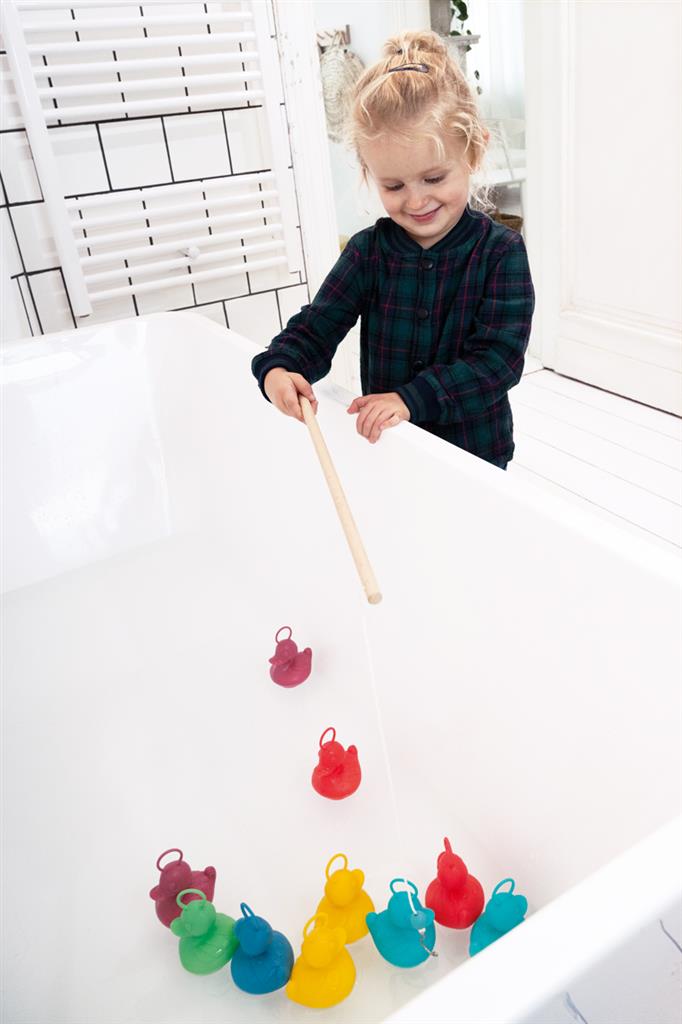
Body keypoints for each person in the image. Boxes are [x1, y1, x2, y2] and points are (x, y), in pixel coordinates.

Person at [251, 30, 535, 470]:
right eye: (394, 186)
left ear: (473, 152)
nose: (416, 201)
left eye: (434, 178)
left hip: (474, 453)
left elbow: (497, 362)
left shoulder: (501, 253)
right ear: (370, 173)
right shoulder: (368, 252)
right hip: (393, 448)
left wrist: (410, 399)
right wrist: (280, 365)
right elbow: (319, 324)